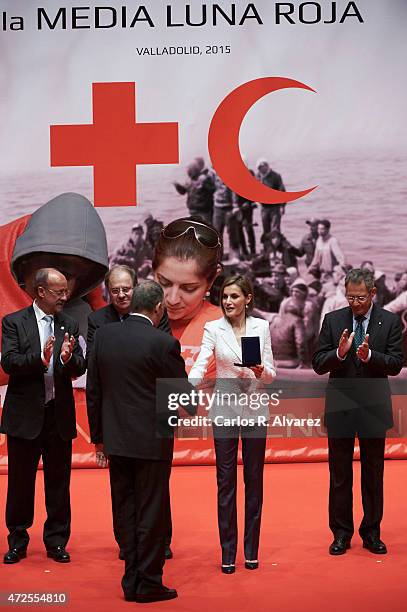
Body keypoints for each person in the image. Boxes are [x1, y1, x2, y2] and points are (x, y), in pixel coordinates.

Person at [86, 281, 190, 603]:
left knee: (125, 509)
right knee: (151, 512)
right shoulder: (163, 342)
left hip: (116, 440)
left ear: (132, 303)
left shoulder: (103, 336)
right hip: (152, 441)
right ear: (158, 307)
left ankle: (130, 578)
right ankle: (148, 582)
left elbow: (93, 391)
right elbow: (182, 393)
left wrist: (99, 439)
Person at [312, 268, 403, 556]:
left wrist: (370, 357)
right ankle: (341, 533)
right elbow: (317, 362)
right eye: (350, 297)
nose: (355, 303)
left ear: (373, 293)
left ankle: (372, 533)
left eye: (360, 297)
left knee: (373, 472)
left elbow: (396, 363)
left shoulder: (388, 321)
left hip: (374, 406)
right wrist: (339, 354)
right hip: (341, 405)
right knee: (339, 473)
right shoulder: (333, 319)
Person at [189, 275, 276, 573]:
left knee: (254, 483)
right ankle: (228, 552)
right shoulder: (213, 328)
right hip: (224, 410)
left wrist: (261, 371)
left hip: (254, 409)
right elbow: (202, 360)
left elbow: (271, 375)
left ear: (248, 299)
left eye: (234, 296)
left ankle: (251, 551)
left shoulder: (260, 327)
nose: (228, 301)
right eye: (225, 296)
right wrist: (190, 383)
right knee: (225, 484)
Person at [86, 264, 172, 561]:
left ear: (136, 291)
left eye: (127, 288)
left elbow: (94, 388)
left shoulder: (110, 335)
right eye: (116, 289)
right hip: (137, 430)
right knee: (138, 498)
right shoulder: (100, 324)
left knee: (139, 497)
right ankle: (136, 556)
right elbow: (180, 393)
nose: (121, 294)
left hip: (128, 429)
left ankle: (148, 549)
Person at [1, 268, 86, 564]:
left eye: (66, 291)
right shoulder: (14, 322)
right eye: (59, 292)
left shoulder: (70, 323)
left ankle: (57, 541)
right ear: (41, 292)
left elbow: (80, 365)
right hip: (25, 417)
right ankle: (17, 540)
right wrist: (39, 360)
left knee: (59, 482)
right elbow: (9, 362)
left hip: (58, 415)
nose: (65, 296)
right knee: (21, 482)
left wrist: (66, 359)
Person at [152, 217, 223, 375]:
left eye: (189, 288)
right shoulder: (125, 319)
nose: (172, 299)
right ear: (152, 271)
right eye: (164, 283)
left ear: (211, 280)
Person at [256, 159, 286, 234]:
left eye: (262, 166)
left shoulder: (276, 176)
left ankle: (277, 245)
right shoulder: (257, 177)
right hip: (264, 208)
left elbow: (282, 191)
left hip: (275, 208)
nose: (261, 169)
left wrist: (282, 206)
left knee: (275, 230)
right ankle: (267, 246)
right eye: (259, 167)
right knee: (266, 231)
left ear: (267, 166)